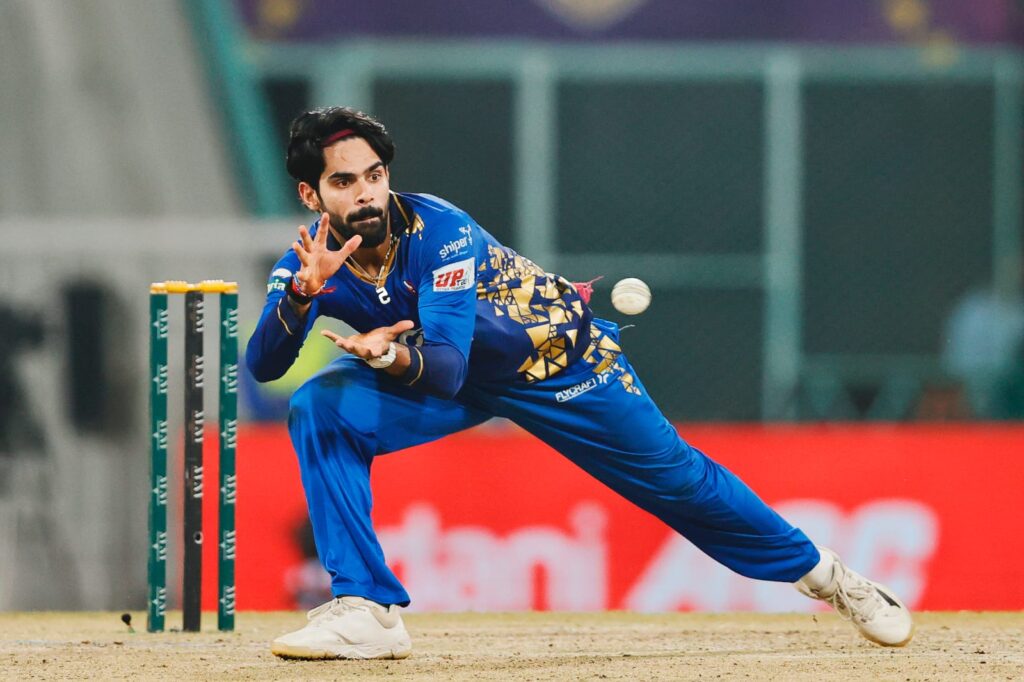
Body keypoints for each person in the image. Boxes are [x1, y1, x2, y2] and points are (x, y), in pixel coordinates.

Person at [246, 107, 914, 660]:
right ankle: (366, 609)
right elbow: (264, 365)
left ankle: (828, 577)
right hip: (457, 377)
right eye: (344, 182)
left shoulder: (438, 232)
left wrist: (390, 356)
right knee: (318, 406)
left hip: (557, 364)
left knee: (682, 483)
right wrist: (302, 297)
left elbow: (445, 368)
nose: (366, 193)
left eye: (375, 175)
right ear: (311, 195)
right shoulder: (310, 263)